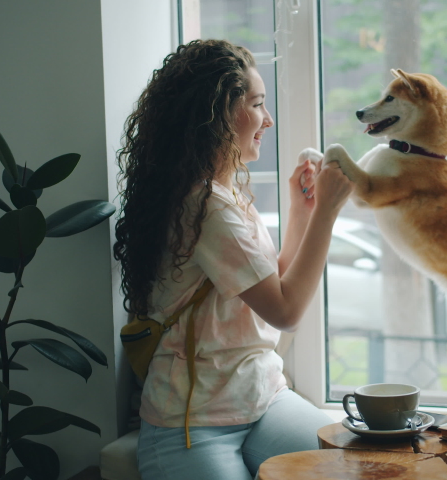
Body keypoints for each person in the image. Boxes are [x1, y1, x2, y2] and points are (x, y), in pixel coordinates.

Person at [112, 39, 354, 480]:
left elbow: (273, 284)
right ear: (218, 115)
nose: (269, 119)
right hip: (191, 423)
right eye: (258, 104)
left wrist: (301, 211)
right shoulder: (206, 205)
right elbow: (286, 311)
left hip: (263, 399)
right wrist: (327, 213)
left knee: (351, 468)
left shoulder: (224, 193)